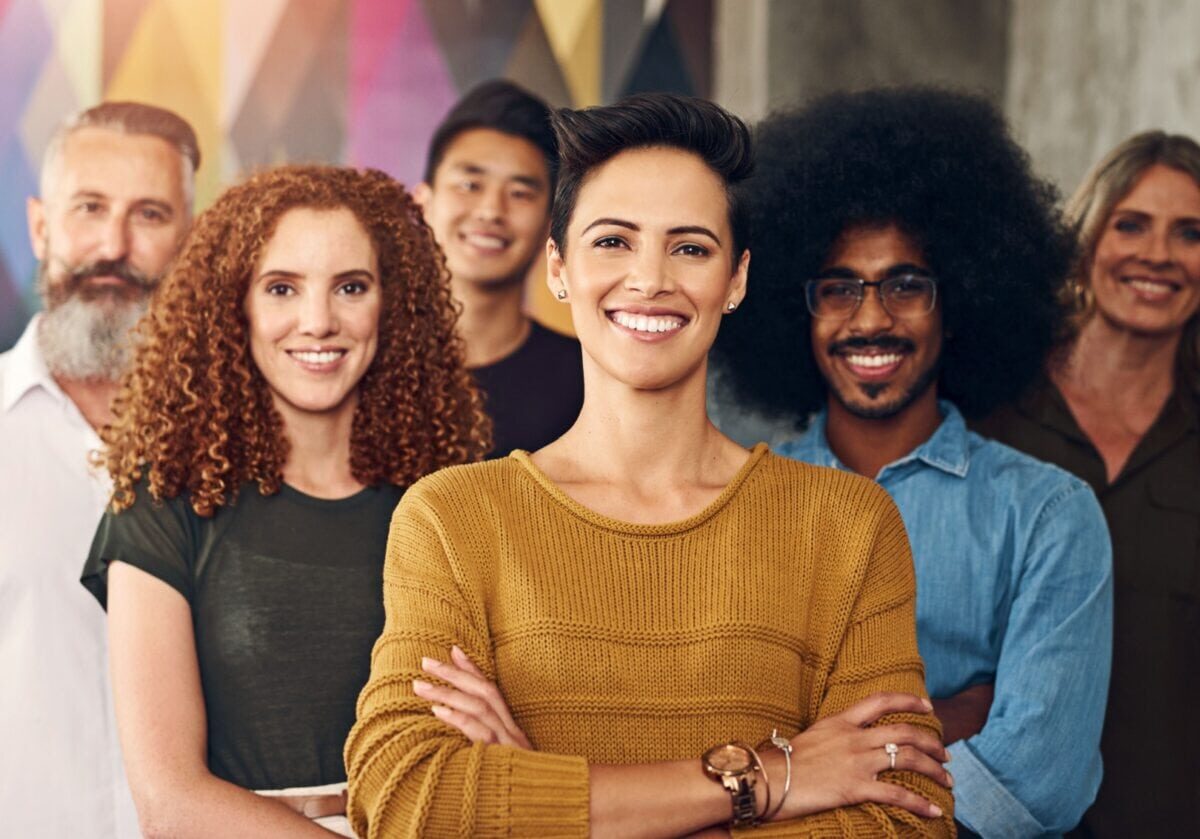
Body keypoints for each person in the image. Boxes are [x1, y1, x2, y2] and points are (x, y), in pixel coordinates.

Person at [345, 92, 954, 838]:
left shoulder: (849, 524)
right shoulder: (453, 517)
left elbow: (903, 818)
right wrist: (764, 778)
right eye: (613, 241)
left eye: (690, 247)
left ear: (734, 279)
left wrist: (543, 797)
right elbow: (407, 796)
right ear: (559, 267)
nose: (649, 278)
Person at [714, 87, 1113, 838]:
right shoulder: (738, 499)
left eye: (906, 284)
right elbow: (703, 733)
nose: (871, 317)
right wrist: (957, 709)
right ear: (791, 308)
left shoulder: (1048, 515)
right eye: (839, 287)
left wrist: (805, 763)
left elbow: (1039, 778)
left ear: (959, 302)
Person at [79, 165, 489, 837]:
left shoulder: (452, 496)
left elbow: (490, 743)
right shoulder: (164, 502)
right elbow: (170, 800)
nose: (318, 321)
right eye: (281, 288)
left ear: (395, 304)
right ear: (233, 304)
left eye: (350, 287)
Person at [978, 131, 1200, 837]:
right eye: (1130, 224)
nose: (1158, 255)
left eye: (1190, 233)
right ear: (1085, 238)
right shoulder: (992, 408)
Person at [0, 101, 197, 838]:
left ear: (188, 237)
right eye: (89, 208)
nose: (114, 244)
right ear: (41, 226)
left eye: (149, 214)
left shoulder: (248, 441)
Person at [415, 79, 584, 457]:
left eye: (520, 193)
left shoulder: (587, 382)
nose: (491, 210)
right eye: (469, 184)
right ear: (423, 202)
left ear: (549, 224)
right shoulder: (362, 361)